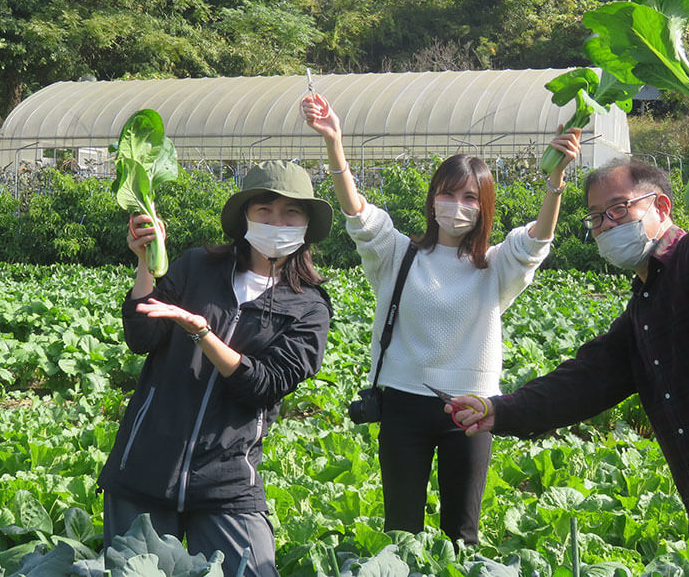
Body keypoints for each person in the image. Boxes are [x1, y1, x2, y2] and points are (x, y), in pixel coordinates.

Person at [449, 110, 689, 576]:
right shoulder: (646, 310)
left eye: (619, 209)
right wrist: (501, 410)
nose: (608, 224)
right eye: (596, 218)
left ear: (661, 208)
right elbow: (587, 379)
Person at [301, 91, 581, 546]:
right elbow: (357, 214)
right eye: (448, 193)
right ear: (432, 199)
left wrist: (555, 180)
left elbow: (536, 242)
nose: (457, 205)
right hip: (403, 405)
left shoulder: (494, 267)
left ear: (484, 206)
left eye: (470, 196)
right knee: (402, 529)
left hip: (471, 410)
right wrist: (335, 142)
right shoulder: (397, 254)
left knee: (462, 533)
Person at [98, 161, 334, 577]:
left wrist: (203, 333)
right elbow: (142, 337)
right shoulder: (196, 267)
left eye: (291, 213)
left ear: (306, 225)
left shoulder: (310, 307)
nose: (277, 222)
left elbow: (262, 386)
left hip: (226, 480)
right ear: (245, 217)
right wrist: (142, 262)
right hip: (145, 467)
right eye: (265, 210)